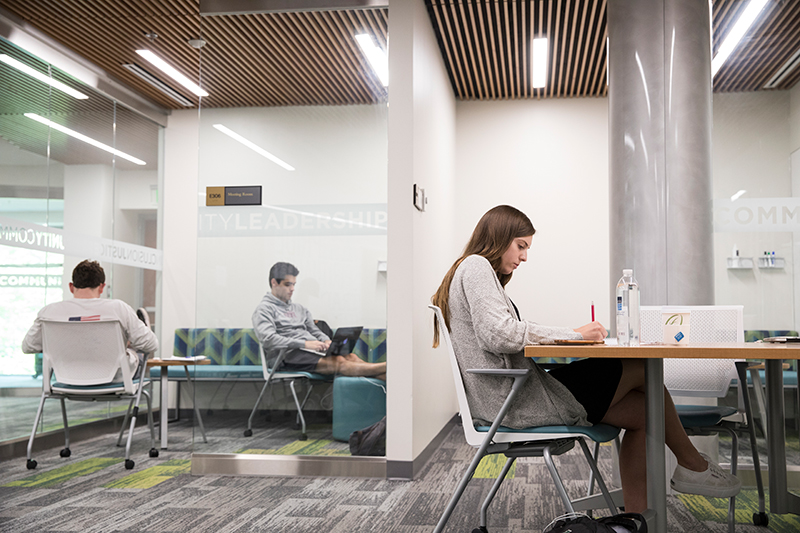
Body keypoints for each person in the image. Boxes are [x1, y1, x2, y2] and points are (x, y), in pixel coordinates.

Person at [431, 205, 740, 513]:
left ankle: (638, 518)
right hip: (518, 402)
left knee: (648, 412)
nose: (524, 257)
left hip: (519, 393)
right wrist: (575, 333)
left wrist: (571, 334)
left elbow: (502, 334)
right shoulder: (475, 266)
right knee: (641, 367)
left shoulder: (471, 270)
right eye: (521, 246)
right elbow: (500, 334)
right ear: (499, 237)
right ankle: (693, 465)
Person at [22, 260, 158, 382]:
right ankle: (132, 336)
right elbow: (152, 345)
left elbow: (28, 346)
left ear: (71, 286)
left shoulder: (49, 312)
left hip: (66, 378)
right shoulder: (118, 308)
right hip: (115, 379)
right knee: (138, 354)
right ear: (102, 287)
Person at [253, 262, 386, 379]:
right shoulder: (264, 310)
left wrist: (326, 340)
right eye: (288, 284)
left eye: (294, 284)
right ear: (274, 283)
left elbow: (314, 331)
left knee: (351, 357)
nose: (292, 289)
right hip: (285, 357)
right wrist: (304, 344)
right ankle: (388, 368)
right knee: (339, 361)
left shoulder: (300, 309)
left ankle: (389, 375)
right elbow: (269, 339)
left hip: (309, 352)